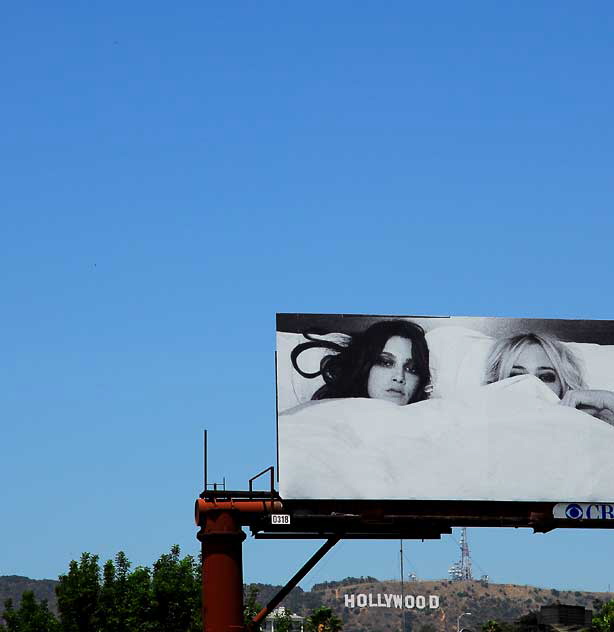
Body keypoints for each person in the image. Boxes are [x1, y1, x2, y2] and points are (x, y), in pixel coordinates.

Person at [291, 320, 431, 405]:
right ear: (364, 366)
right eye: (386, 362)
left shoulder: (434, 422)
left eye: (412, 369)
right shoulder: (321, 413)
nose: (400, 377)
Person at [485, 332, 614, 425]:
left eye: (545, 377)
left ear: (564, 388)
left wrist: (608, 399)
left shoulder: (590, 431)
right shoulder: (477, 424)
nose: (532, 383)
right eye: (517, 376)